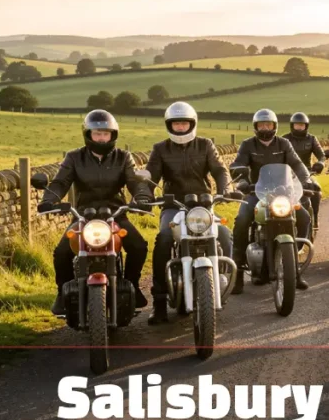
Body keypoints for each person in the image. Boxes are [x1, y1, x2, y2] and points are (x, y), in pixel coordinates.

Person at [40, 110, 152, 316]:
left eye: (106, 134)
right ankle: (62, 293)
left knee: (138, 246)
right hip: (83, 216)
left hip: (115, 215)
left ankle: (133, 285)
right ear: (88, 134)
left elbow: (134, 181)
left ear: (113, 135)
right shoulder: (74, 157)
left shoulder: (123, 157)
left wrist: (143, 197)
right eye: (97, 133)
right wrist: (48, 199)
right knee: (62, 252)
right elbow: (60, 182)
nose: (101, 138)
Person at [145, 102, 237, 325]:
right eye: (176, 123)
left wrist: (226, 188)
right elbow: (150, 177)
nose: (180, 127)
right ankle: (159, 302)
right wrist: (144, 195)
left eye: (184, 123)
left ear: (192, 124)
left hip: (203, 206)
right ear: (169, 125)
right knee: (164, 239)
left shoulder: (205, 145)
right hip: (173, 205)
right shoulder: (160, 149)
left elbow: (219, 170)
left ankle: (221, 282)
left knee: (224, 234)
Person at [231, 109, 313, 291]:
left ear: (275, 126)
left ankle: (294, 268)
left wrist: (307, 180)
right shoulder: (248, 145)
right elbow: (237, 165)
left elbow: (297, 164)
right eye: (262, 125)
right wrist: (243, 181)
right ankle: (237, 272)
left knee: (304, 218)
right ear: (255, 127)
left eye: (268, 124)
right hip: (256, 193)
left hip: (283, 194)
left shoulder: (284, 144)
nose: (265, 128)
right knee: (242, 219)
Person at [283, 112, 325, 231]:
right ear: (292, 126)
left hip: (307, 172)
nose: (299, 127)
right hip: (287, 173)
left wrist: (320, 163)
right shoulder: (285, 139)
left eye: (302, 125)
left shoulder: (311, 139)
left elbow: (321, 155)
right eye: (297, 125)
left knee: (316, 190)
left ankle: (315, 217)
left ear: (306, 126)